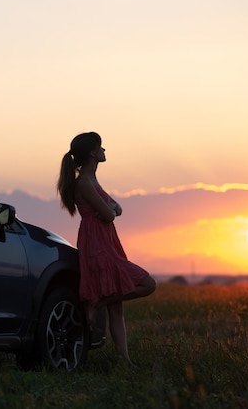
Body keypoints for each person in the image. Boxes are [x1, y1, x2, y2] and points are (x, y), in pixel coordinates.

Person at [57, 131, 156, 363]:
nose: (104, 151)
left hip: (107, 240)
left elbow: (115, 208)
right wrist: (111, 209)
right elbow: (109, 213)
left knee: (117, 308)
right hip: (97, 242)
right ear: (93, 153)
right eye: (101, 147)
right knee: (147, 283)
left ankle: (125, 361)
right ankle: (96, 302)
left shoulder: (92, 179)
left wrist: (111, 209)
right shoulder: (83, 182)